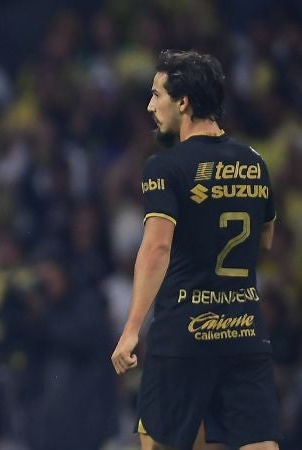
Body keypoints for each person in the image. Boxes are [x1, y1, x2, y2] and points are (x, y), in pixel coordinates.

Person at [111, 50, 281, 450]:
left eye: (157, 95)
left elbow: (156, 248)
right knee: (259, 444)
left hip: (184, 337)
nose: (151, 106)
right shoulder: (255, 162)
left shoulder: (164, 167)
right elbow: (267, 240)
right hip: (244, 332)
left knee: (157, 441)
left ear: (183, 102)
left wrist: (132, 328)